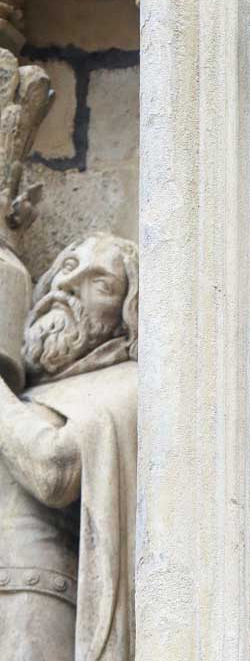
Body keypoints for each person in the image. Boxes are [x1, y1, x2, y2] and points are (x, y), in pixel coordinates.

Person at [0, 234, 138, 660]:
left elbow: (55, 470)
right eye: (66, 267)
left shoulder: (127, 384)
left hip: (32, 595)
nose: (68, 286)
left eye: (101, 283)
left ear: (127, 316)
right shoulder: (25, 398)